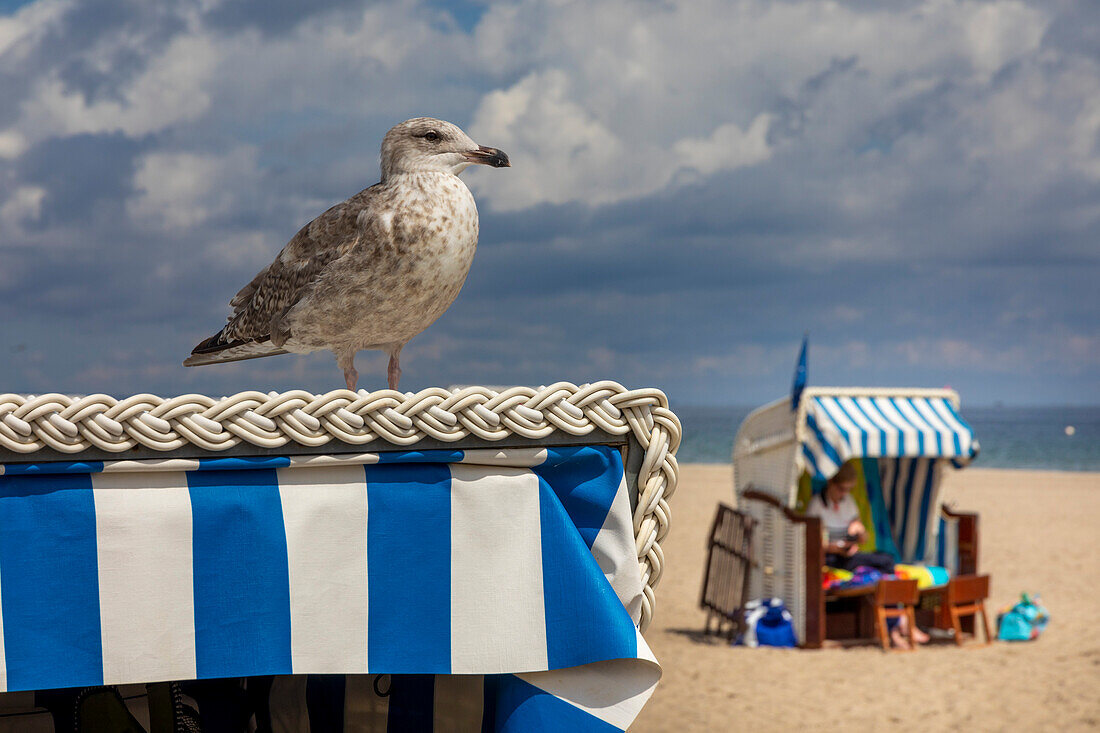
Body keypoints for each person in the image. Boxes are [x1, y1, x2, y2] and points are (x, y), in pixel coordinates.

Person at [807, 461, 929, 648]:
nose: (844, 494)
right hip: (830, 557)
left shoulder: (848, 502)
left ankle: (899, 622)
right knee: (880, 573)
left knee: (887, 561)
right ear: (831, 483)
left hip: (847, 554)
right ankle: (898, 625)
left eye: (848, 490)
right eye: (841, 489)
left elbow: (863, 537)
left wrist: (858, 532)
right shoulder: (817, 505)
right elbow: (817, 544)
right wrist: (838, 547)